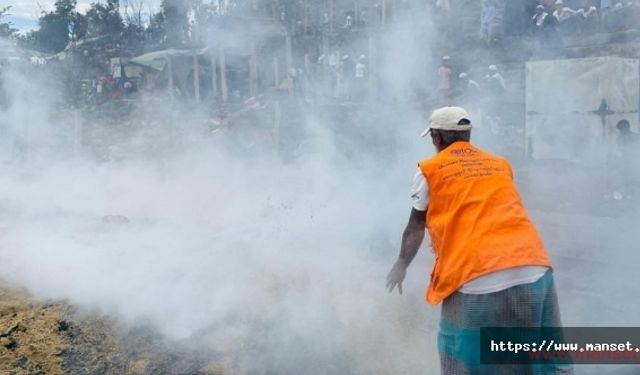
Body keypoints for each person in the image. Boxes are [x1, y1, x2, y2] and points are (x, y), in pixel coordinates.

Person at [386, 106, 572, 375]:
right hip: (534, 267)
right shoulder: (500, 164)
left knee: (462, 360)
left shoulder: (429, 170)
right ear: (468, 135)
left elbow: (416, 226)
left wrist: (401, 265)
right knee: (544, 357)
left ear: (436, 138)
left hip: (475, 276)